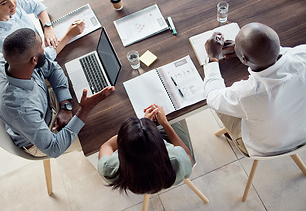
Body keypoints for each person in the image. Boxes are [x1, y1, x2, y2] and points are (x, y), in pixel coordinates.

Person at [0, 28, 114, 158]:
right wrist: (85, 109)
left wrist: (65, 106)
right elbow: (54, 148)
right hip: (41, 139)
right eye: (41, 46)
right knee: (106, 129)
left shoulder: (9, 62)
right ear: (34, 60)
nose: (44, 49)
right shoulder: (22, 110)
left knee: (100, 102)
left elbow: (53, 69)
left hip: (44, 105)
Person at [204, 22, 306, 157]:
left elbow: (212, 97)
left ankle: (234, 136)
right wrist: (252, 51)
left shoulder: (245, 95)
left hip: (266, 148)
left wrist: (213, 58)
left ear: (244, 59)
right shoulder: (303, 53)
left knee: (220, 106)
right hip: (302, 132)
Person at [97, 104, 195, 194]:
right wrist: (164, 123)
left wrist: (132, 133)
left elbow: (106, 146)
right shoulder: (176, 159)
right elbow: (189, 158)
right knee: (173, 116)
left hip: (139, 183)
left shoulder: (109, 169)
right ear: (160, 143)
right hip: (166, 175)